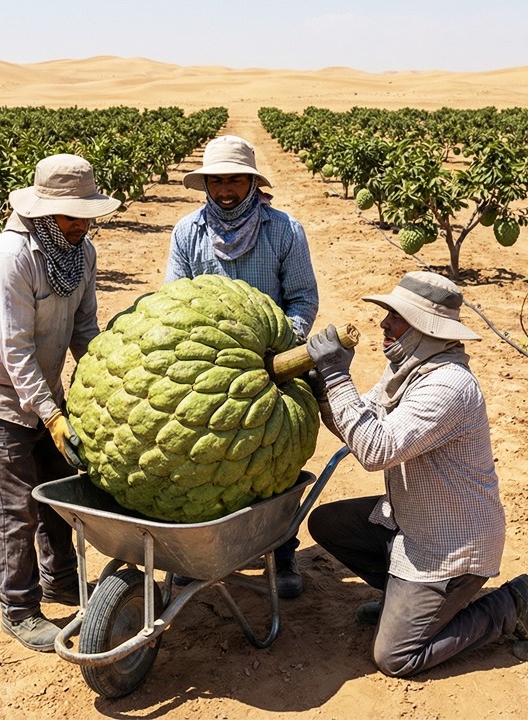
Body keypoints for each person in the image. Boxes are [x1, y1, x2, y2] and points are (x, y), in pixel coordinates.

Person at [305, 271, 528, 678]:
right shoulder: (408, 369)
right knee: (329, 524)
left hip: (451, 545)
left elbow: (375, 450)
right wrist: (324, 392)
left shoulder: (449, 386)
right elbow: (360, 425)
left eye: (396, 318)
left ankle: (510, 604)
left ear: (425, 328)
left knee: (394, 658)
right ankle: (408, 606)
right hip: (413, 521)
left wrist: (336, 376)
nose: (383, 324)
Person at [0, 154, 121, 652]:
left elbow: (85, 329)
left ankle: (62, 580)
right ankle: (20, 607)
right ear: (43, 211)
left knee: (58, 495)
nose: (79, 223)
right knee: (15, 508)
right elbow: (15, 349)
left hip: (44, 392)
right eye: (69, 215)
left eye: (85, 213)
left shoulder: (82, 253)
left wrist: (109, 381)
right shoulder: (12, 257)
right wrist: (49, 415)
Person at [165, 134, 319, 597]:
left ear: (252, 182)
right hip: (203, 372)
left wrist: (280, 347)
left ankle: (282, 548)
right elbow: (174, 301)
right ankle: (197, 548)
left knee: (278, 459)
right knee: (199, 454)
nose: (225, 190)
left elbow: (303, 298)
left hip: (272, 367)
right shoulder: (187, 232)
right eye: (217, 181)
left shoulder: (284, 230)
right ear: (205, 184)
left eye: (234, 179)